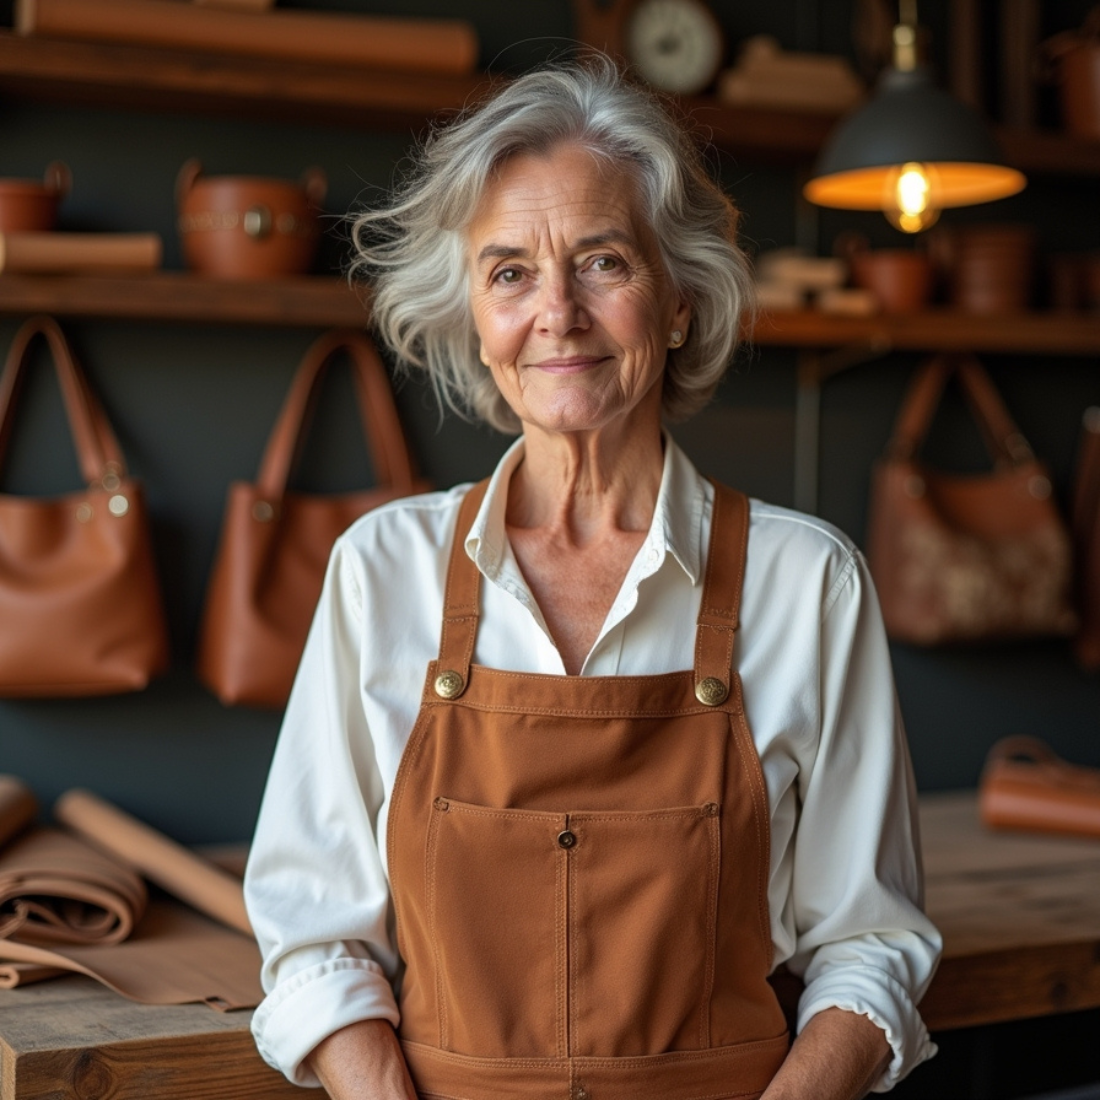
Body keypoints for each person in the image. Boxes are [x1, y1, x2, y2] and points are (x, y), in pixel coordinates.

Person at [244, 56, 941, 1100]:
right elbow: (310, 942)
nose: (556, 311)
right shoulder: (380, 572)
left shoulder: (808, 582)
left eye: (603, 261)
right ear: (475, 321)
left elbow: (869, 940)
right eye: (510, 271)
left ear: (676, 302)